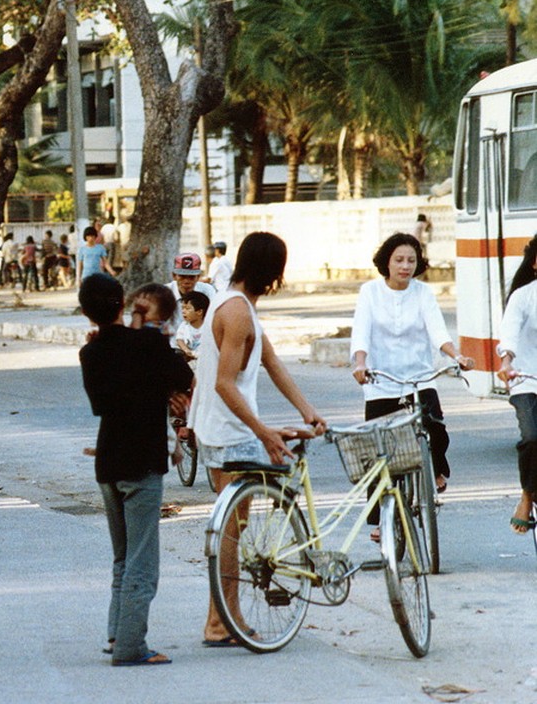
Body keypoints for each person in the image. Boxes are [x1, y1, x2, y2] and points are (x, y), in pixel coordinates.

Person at [187, 231, 326, 647]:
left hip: (224, 426)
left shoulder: (234, 303)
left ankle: (220, 618)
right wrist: (264, 432)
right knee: (233, 528)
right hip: (228, 430)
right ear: (272, 274)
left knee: (236, 524)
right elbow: (226, 386)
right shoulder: (238, 313)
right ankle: (219, 622)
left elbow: (271, 361)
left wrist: (307, 410)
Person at [78, 274, 192, 667]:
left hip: (108, 462)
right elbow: (184, 376)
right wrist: (149, 333)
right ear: (122, 304)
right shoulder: (146, 344)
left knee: (123, 557)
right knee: (143, 561)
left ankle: (116, 635)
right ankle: (130, 647)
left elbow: (106, 400)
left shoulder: (90, 353)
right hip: (142, 462)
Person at [351, 232, 472, 506]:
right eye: (399, 260)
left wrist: (457, 356)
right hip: (381, 380)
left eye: (411, 261)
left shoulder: (423, 292)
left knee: (436, 430)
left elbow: (438, 331)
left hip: (419, 378)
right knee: (381, 455)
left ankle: (436, 468)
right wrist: (360, 363)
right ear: (387, 262)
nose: (405, 266)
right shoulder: (370, 291)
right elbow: (361, 332)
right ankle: (380, 522)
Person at [496, 234, 537, 534]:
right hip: (526, 380)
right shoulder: (523, 297)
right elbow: (509, 333)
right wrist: (507, 362)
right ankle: (526, 497)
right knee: (533, 438)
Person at [166, 253, 217, 333]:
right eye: (182, 276)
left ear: (198, 277)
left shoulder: (207, 291)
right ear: (174, 276)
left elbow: (215, 316)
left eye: (191, 277)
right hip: (172, 341)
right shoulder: (166, 292)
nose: (186, 281)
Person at [174, 290, 210, 361]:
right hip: (189, 357)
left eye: (187, 308)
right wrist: (186, 350)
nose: (183, 311)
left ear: (199, 312)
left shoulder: (208, 326)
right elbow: (179, 339)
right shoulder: (184, 325)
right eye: (182, 308)